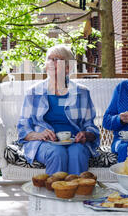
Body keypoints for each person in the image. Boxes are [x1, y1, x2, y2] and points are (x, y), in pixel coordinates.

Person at [16, 45, 100, 175]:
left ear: (68, 68)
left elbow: (91, 127)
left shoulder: (82, 93)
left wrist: (86, 135)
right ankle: (55, 193)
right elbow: (23, 127)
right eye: (49, 59)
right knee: (57, 153)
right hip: (43, 143)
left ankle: (78, 193)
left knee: (77, 153)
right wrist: (38, 135)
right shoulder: (33, 92)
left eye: (56, 60)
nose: (51, 63)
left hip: (74, 142)